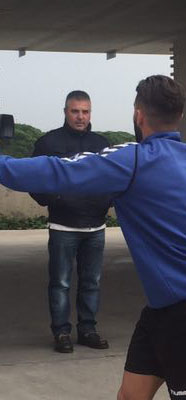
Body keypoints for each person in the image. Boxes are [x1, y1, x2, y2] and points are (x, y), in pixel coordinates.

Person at [0, 75, 186, 400]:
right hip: (166, 308)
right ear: (179, 115)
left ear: (138, 115)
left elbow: (58, 171)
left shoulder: (133, 160)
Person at [29, 90, 111, 353]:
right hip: (63, 227)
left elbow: (115, 179)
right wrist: (52, 198)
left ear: (90, 113)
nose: (80, 116)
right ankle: (61, 333)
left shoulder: (103, 144)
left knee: (91, 282)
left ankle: (87, 330)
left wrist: (105, 203)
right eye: (75, 111)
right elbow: (34, 178)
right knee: (60, 283)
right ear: (65, 111)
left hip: (95, 227)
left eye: (85, 111)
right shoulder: (47, 143)